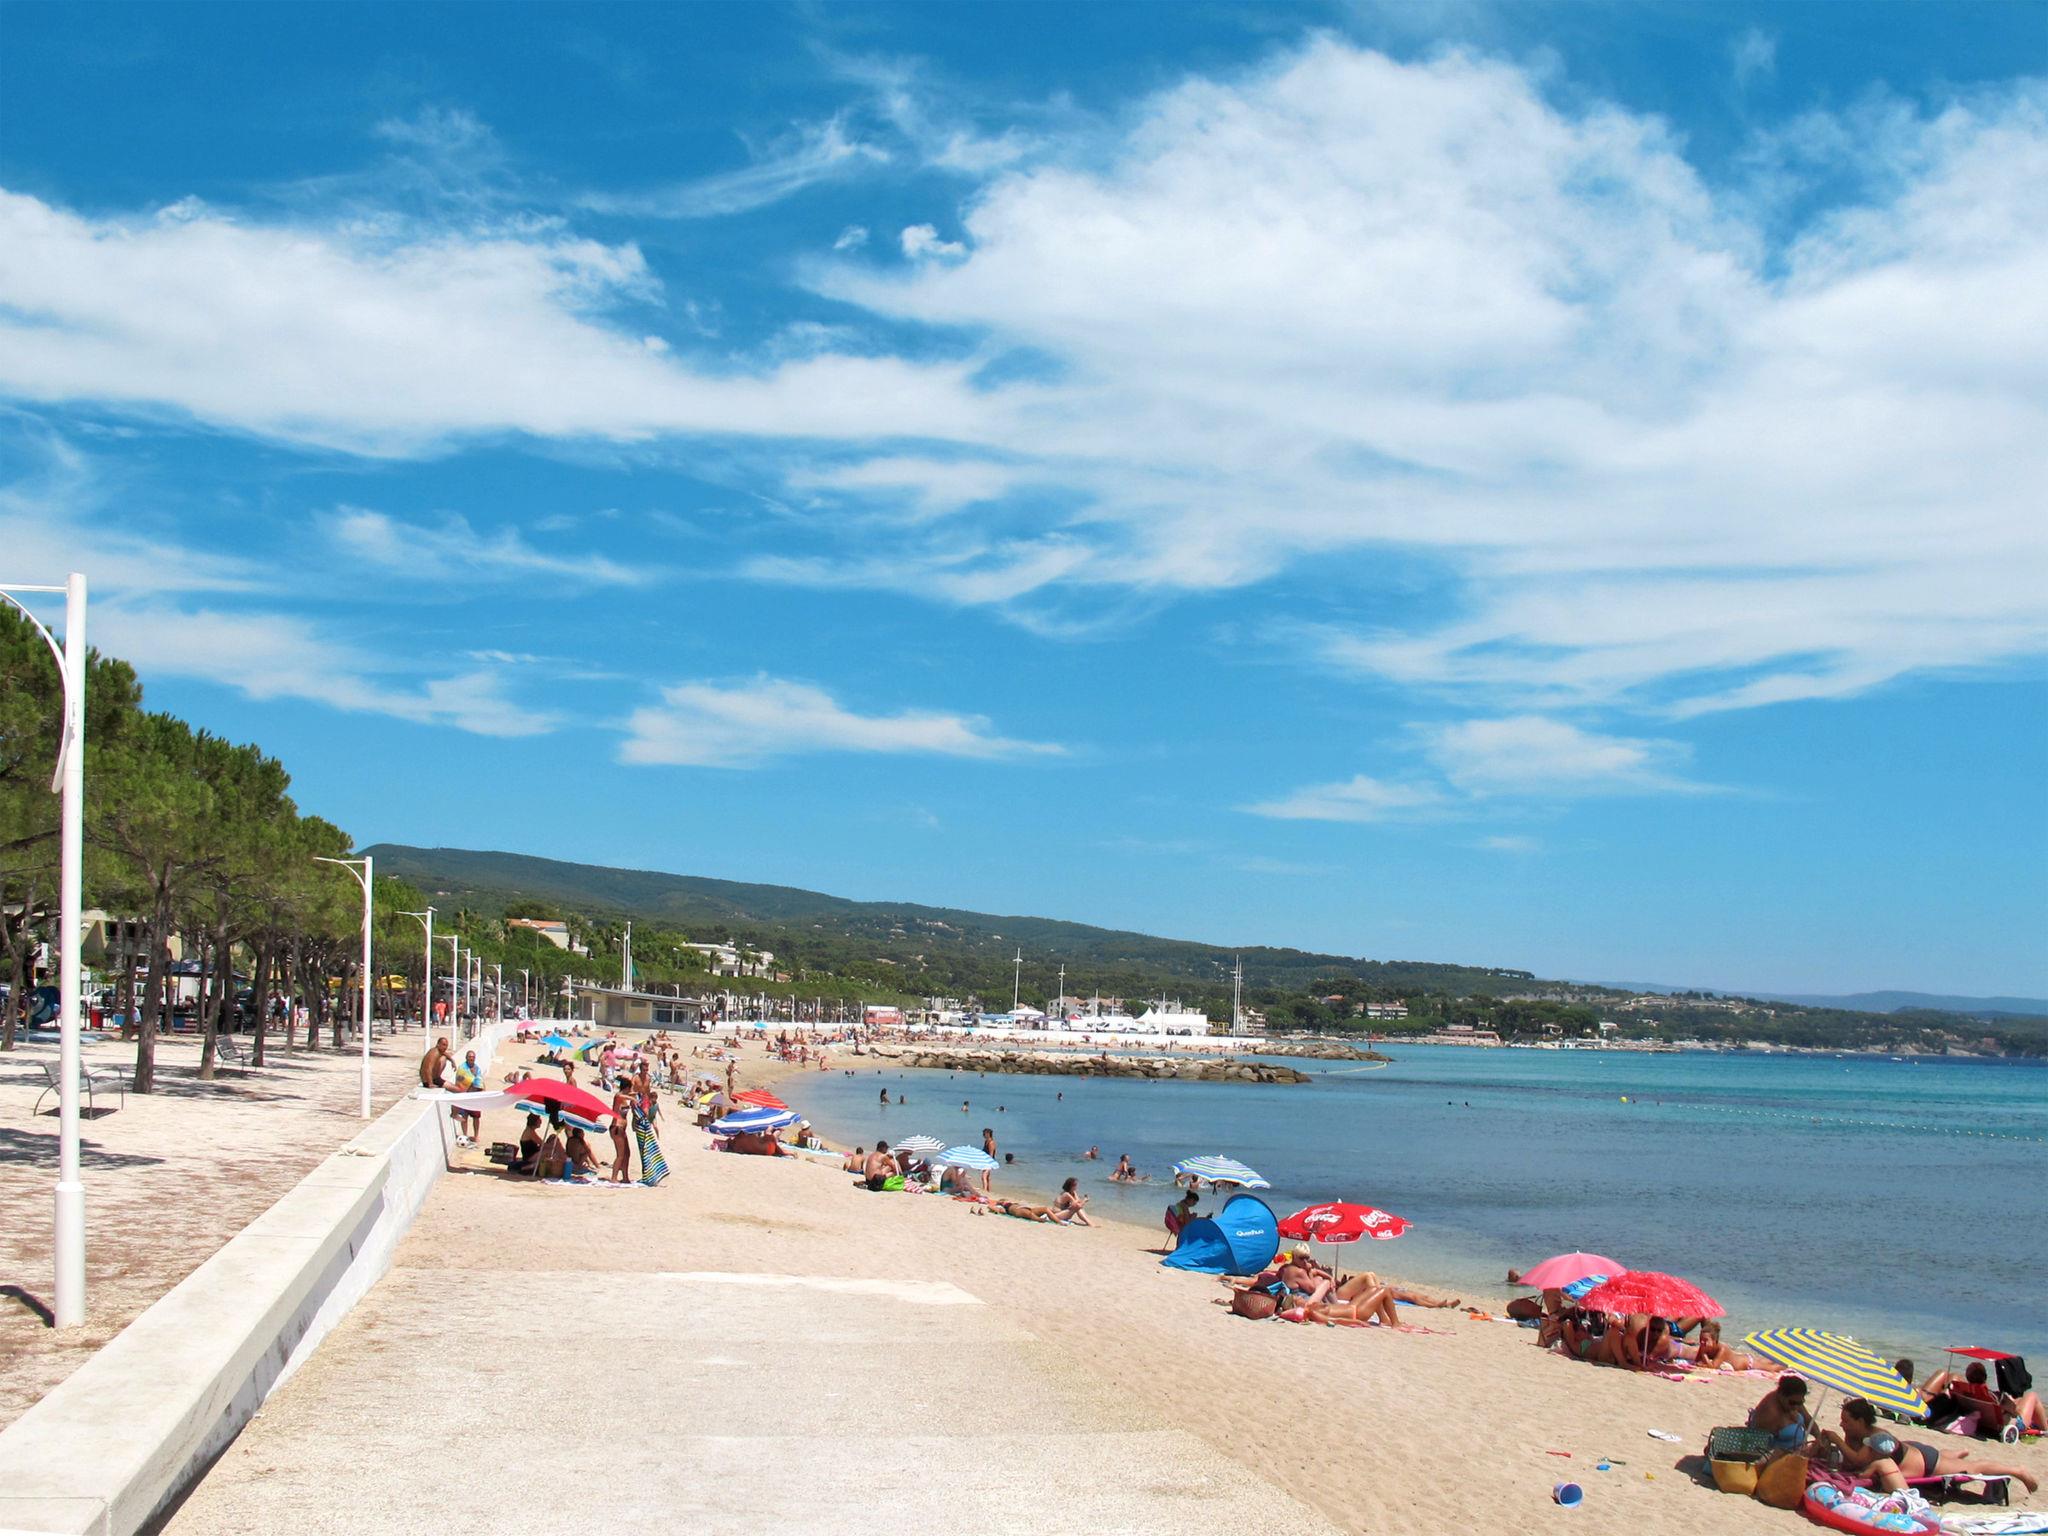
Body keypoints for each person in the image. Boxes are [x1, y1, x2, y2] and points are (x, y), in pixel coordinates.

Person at [1819, 1397, 2039, 1493]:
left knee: (1973, 1468)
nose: (1841, 1424)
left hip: (1925, 1462)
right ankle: (1957, 1453)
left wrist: (1836, 1439)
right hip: (1911, 1452)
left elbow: (1857, 1460)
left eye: (1846, 1421)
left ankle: (2017, 1471)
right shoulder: (1859, 1434)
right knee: (1948, 1459)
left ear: (1860, 1421)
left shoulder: (1877, 1439)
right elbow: (1852, 1459)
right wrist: (1841, 1437)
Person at [1922, 1360, 2048, 1437]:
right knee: (2032, 1396)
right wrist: (2011, 1406)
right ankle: (2045, 1429)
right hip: (2004, 1424)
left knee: (2019, 1401)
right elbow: (2014, 1412)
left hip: (1984, 1421)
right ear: (1985, 1377)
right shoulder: (1992, 1396)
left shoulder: (1965, 1391)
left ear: (1968, 1376)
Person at [1747, 1376, 1815, 1455]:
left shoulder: (1792, 1401)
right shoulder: (1771, 1413)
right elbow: (1763, 1447)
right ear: (1781, 1395)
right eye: (1793, 1403)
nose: (1796, 1407)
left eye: (1800, 1403)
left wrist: (1818, 1437)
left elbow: (1808, 1420)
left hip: (1798, 1450)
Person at [608, 1091, 634, 1183]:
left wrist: (636, 1095)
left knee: (627, 1154)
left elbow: (631, 1094)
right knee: (620, 1155)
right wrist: (633, 1098)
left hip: (622, 1129)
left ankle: (625, 1177)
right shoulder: (618, 1096)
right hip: (617, 1128)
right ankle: (613, 1178)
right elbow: (619, 1096)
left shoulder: (625, 1098)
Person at [980, 1127, 997, 1193]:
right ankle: (988, 1190)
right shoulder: (986, 1141)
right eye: (983, 1133)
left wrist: (989, 1163)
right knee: (986, 1177)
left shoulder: (991, 1143)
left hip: (989, 1162)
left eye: (985, 1133)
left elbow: (991, 1154)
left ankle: (984, 1191)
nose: (984, 1135)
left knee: (984, 1176)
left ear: (988, 1134)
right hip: (985, 1161)